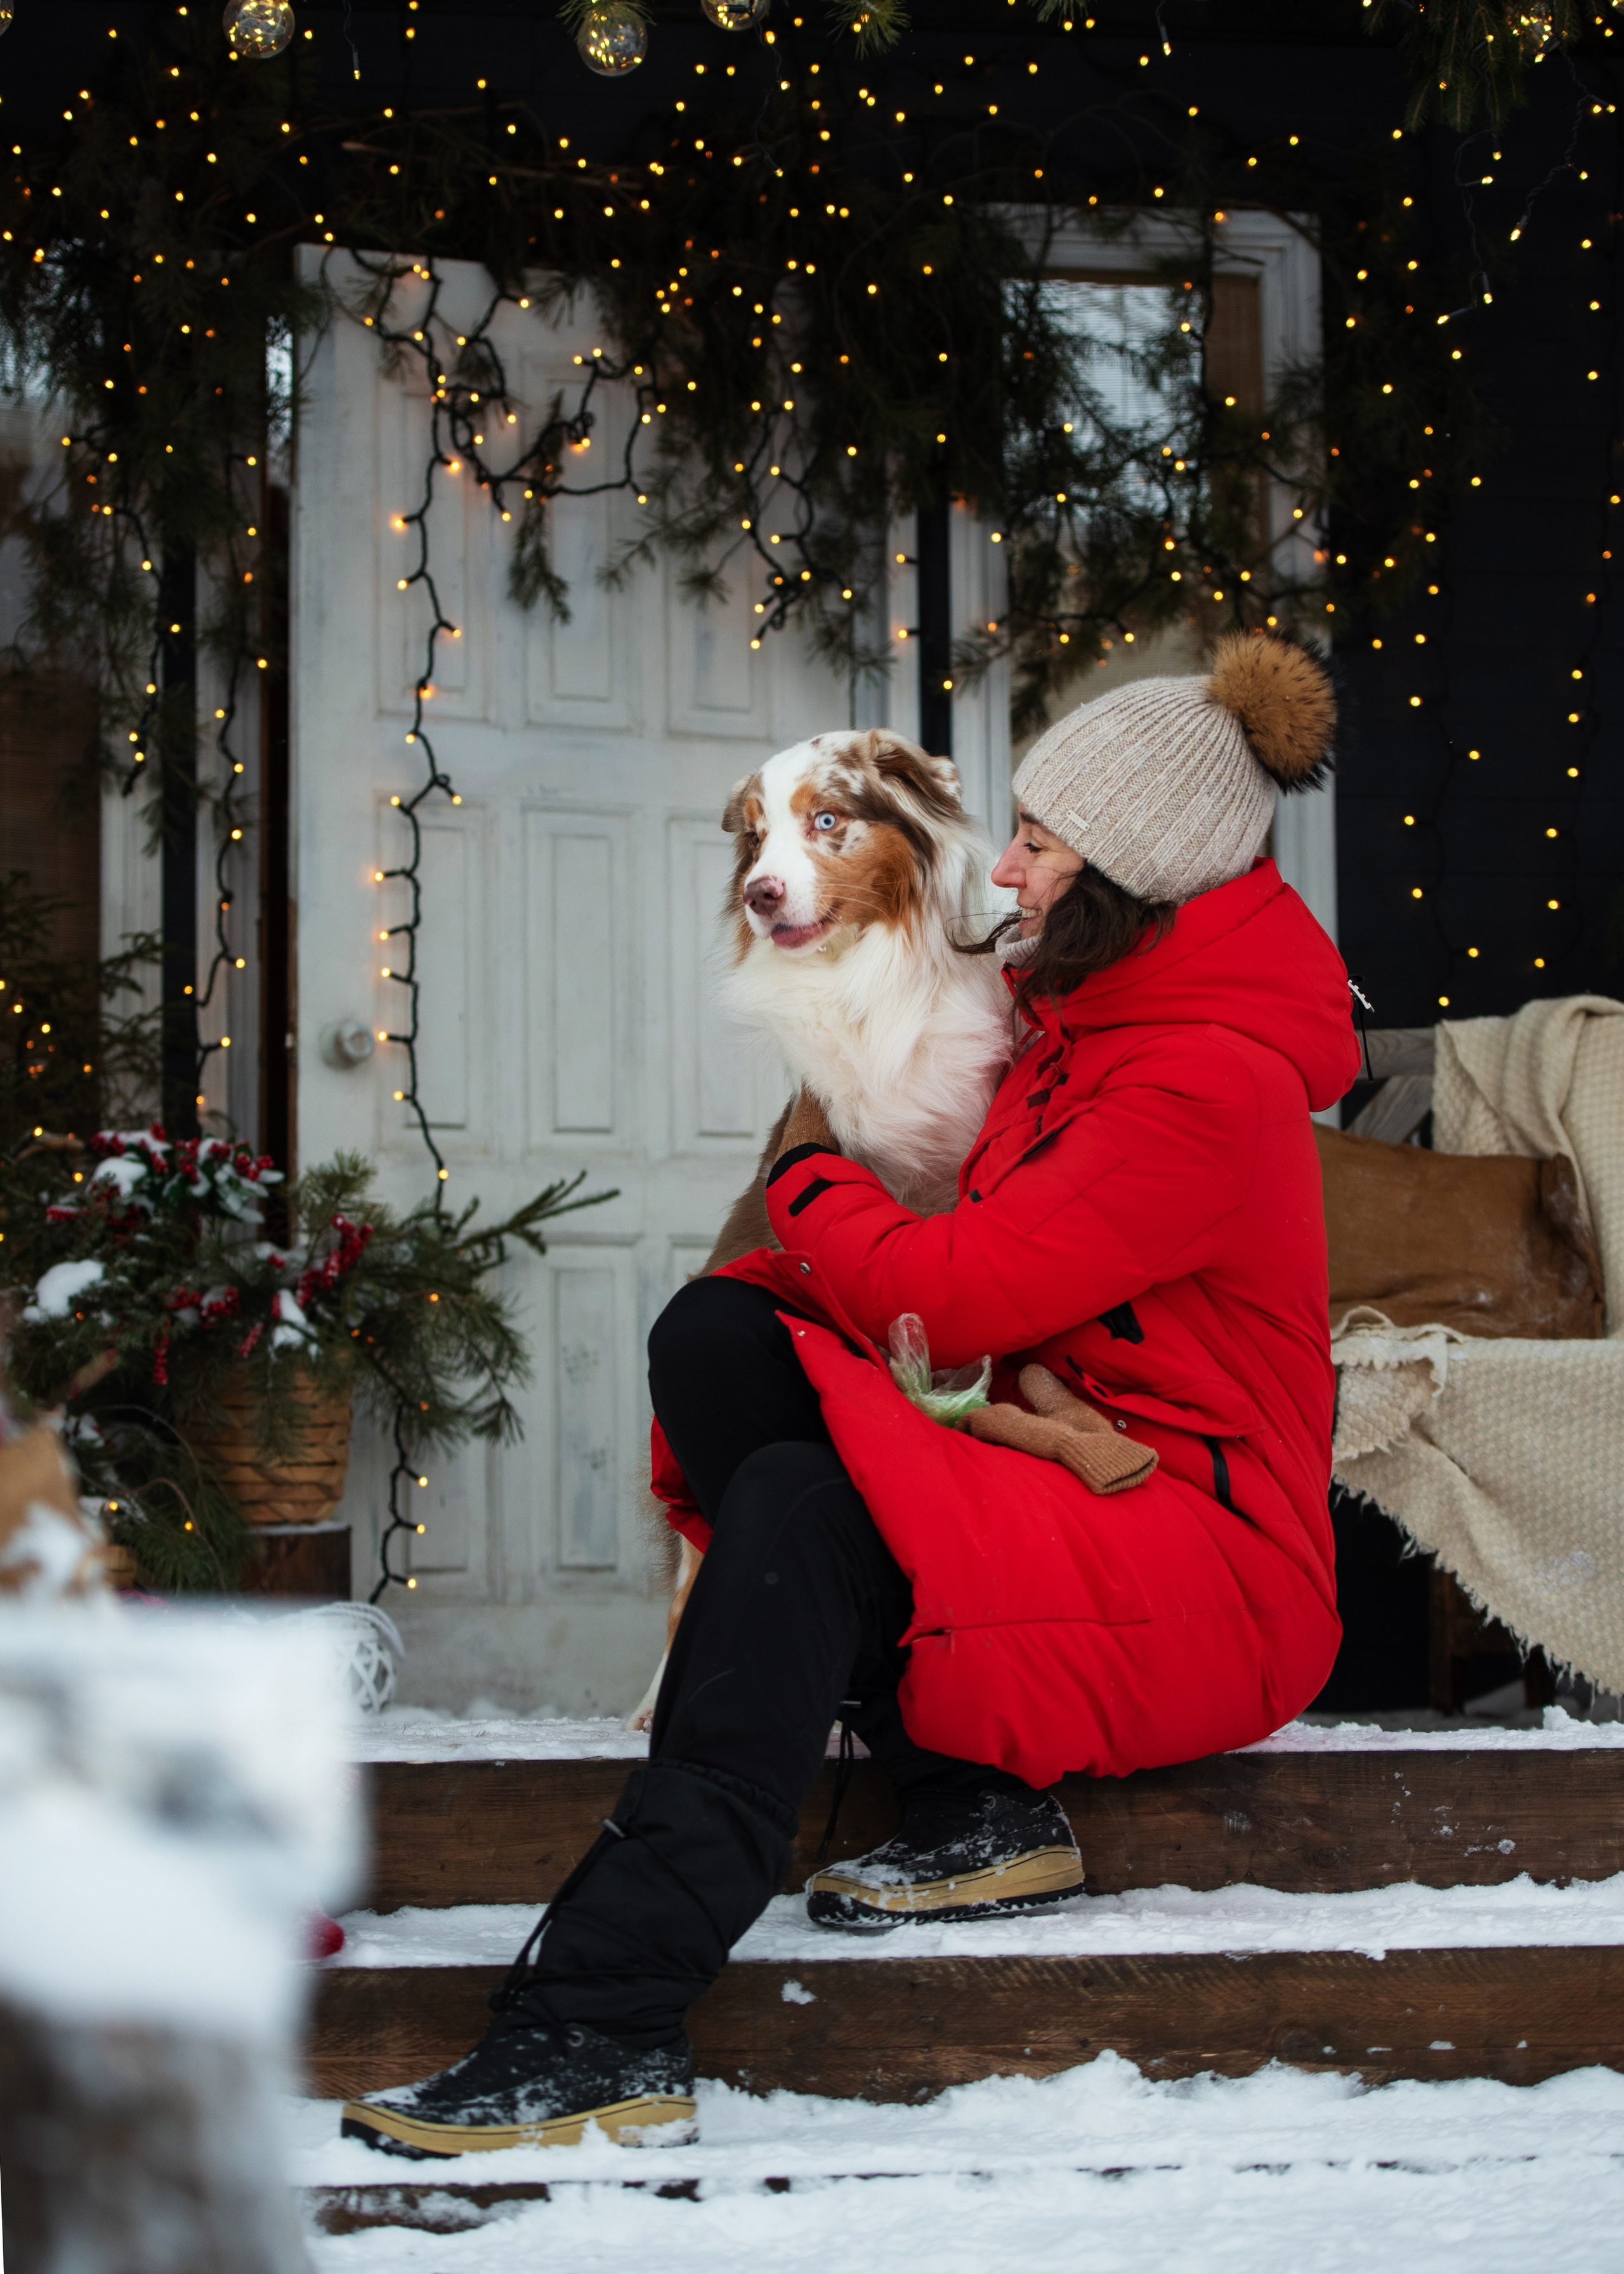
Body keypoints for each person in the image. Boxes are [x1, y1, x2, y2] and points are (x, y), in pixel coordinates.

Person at [344, 632, 1361, 2159]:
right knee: (715, 1340)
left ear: (1124, 877)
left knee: (804, 1508)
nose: (1001, 871)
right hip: (1069, 1489)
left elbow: (947, 1296)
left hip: (1203, 1556)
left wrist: (805, 1167)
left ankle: (599, 2026)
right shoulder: (1084, 1024)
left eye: (1035, 842)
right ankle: (972, 1795)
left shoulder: (1196, 1083)